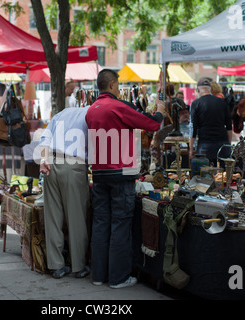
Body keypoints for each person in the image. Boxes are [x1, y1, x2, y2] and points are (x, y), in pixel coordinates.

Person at [85, 69, 164, 289]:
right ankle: (118, 278)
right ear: (111, 85)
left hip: (99, 173)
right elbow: (153, 124)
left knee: (101, 223)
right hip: (121, 172)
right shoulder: (118, 106)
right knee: (120, 224)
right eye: (118, 86)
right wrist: (160, 110)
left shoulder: (91, 110)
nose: (119, 90)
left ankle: (99, 275)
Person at [39, 106, 91, 279]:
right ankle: (79, 266)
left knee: (53, 217)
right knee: (77, 218)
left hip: (51, 163)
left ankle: (57, 266)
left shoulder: (62, 113)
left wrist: (44, 159)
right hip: (73, 164)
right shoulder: (91, 114)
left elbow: (45, 137)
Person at [189, 77, 232, 165]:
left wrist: (190, 149)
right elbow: (229, 126)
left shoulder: (196, 103)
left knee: (205, 173)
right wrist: (229, 144)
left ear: (198, 90)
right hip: (222, 142)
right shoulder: (222, 103)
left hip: (205, 143)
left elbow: (193, 127)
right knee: (223, 174)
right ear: (210, 89)